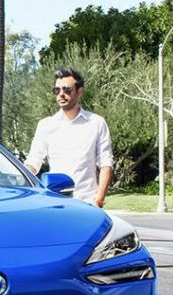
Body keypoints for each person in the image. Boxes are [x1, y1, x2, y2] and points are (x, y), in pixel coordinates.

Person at [24, 67, 114, 207]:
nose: (61, 94)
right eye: (57, 90)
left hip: (87, 203)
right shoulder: (46, 125)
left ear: (79, 92)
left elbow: (105, 164)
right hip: (55, 203)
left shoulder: (96, 123)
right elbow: (34, 161)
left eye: (67, 90)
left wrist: (99, 200)